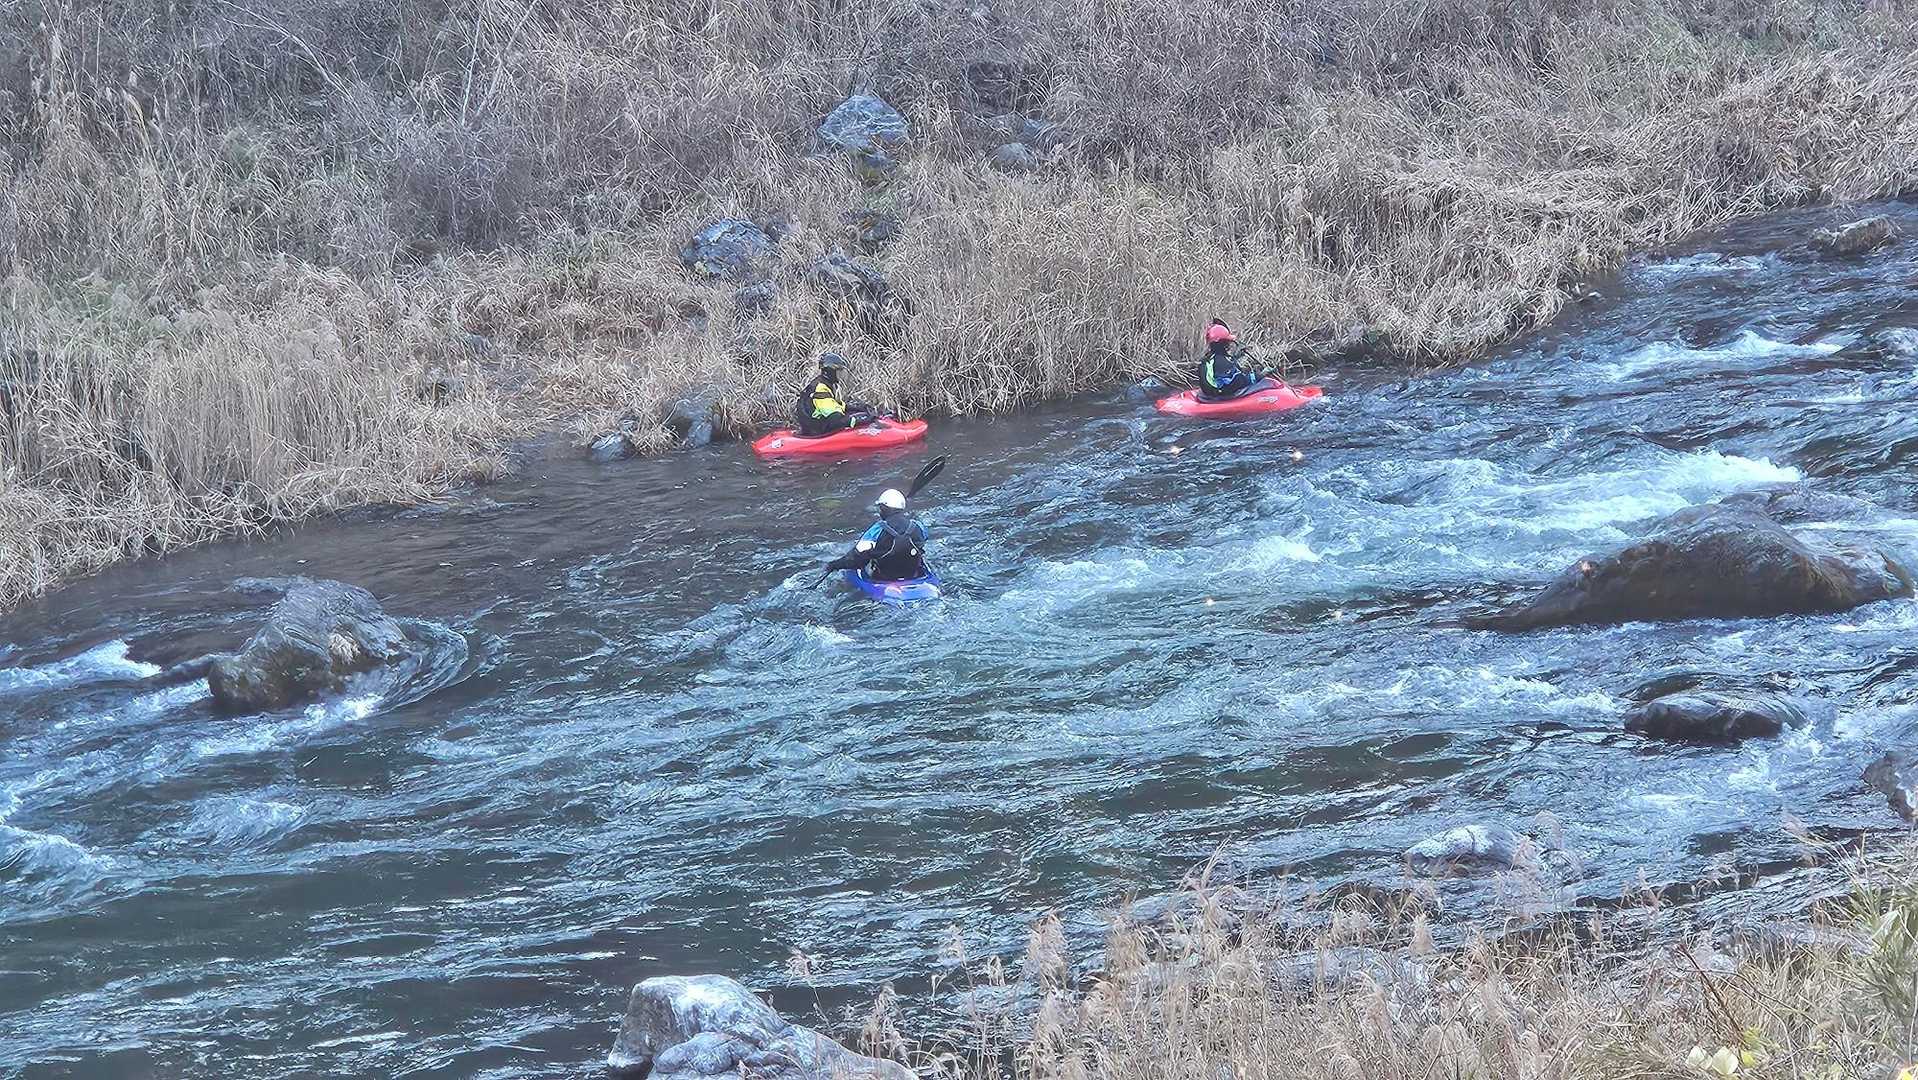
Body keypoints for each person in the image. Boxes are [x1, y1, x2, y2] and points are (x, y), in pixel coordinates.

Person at [824, 488, 930, 582]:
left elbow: (856, 558)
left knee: (865, 558)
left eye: (880, 508)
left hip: (884, 577)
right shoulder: (918, 526)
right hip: (913, 574)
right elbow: (923, 539)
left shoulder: (877, 529)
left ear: (884, 508)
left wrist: (834, 565)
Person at [795, 352, 875, 436]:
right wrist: (859, 419)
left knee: (850, 413)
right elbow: (835, 420)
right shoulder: (821, 388)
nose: (840, 375)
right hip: (817, 431)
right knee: (846, 419)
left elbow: (831, 405)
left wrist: (855, 407)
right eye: (838, 371)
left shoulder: (822, 383)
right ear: (830, 371)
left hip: (814, 426)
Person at [1197, 319, 1260, 400]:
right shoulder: (1220, 362)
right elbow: (1234, 383)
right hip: (1219, 397)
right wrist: (1257, 376)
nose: (1229, 344)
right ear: (1222, 343)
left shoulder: (1211, 358)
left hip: (1214, 393)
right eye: (1227, 341)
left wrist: (1236, 357)